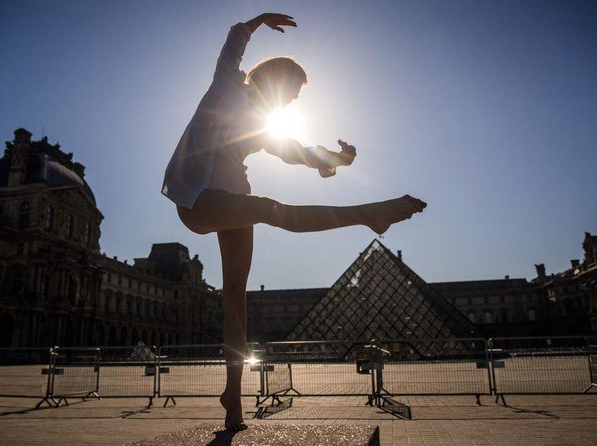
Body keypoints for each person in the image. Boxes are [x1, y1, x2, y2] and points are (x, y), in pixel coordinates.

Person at [162, 13, 426, 431]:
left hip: (233, 199)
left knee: (235, 297)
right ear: (275, 81)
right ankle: (367, 214)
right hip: (198, 198)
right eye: (289, 96)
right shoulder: (226, 85)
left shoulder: (263, 125)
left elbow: (295, 151)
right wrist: (257, 21)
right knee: (271, 210)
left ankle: (233, 396)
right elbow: (232, 42)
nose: (287, 105)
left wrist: (334, 161)